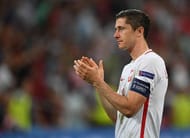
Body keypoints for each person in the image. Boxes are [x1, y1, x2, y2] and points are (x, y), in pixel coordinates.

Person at [73, 9, 168, 138]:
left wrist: (98, 82)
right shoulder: (128, 68)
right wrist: (98, 84)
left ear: (139, 31)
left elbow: (130, 108)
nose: (115, 35)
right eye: (115, 29)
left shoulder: (150, 61)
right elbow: (117, 117)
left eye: (121, 29)